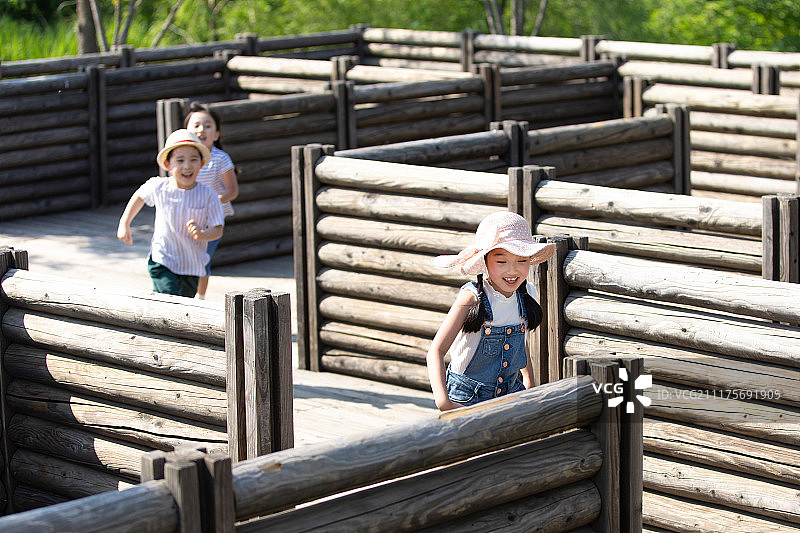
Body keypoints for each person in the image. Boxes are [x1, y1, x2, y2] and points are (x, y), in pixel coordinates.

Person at [426, 211, 556, 411]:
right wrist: (444, 402)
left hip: (512, 390)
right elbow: (436, 350)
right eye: (502, 261)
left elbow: (520, 341)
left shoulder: (527, 292)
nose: (512, 271)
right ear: (485, 261)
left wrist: (529, 379)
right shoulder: (472, 297)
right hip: (467, 396)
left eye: (522, 261)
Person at [117, 129, 225, 298]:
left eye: (193, 160)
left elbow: (218, 229)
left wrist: (203, 233)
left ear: (202, 163)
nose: (187, 166)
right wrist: (125, 223)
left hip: (192, 263)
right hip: (163, 258)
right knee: (169, 296)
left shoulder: (208, 195)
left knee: (185, 304)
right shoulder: (159, 187)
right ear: (168, 165)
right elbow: (139, 196)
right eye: (180, 160)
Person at [184, 102, 239, 299]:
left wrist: (212, 201)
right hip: (187, 216)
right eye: (196, 125)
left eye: (207, 126)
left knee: (202, 257)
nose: (202, 130)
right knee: (186, 254)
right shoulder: (185, 158)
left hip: (212, 218)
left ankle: (200, 298)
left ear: (216, 134)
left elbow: (232, 191)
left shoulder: (220, 158)